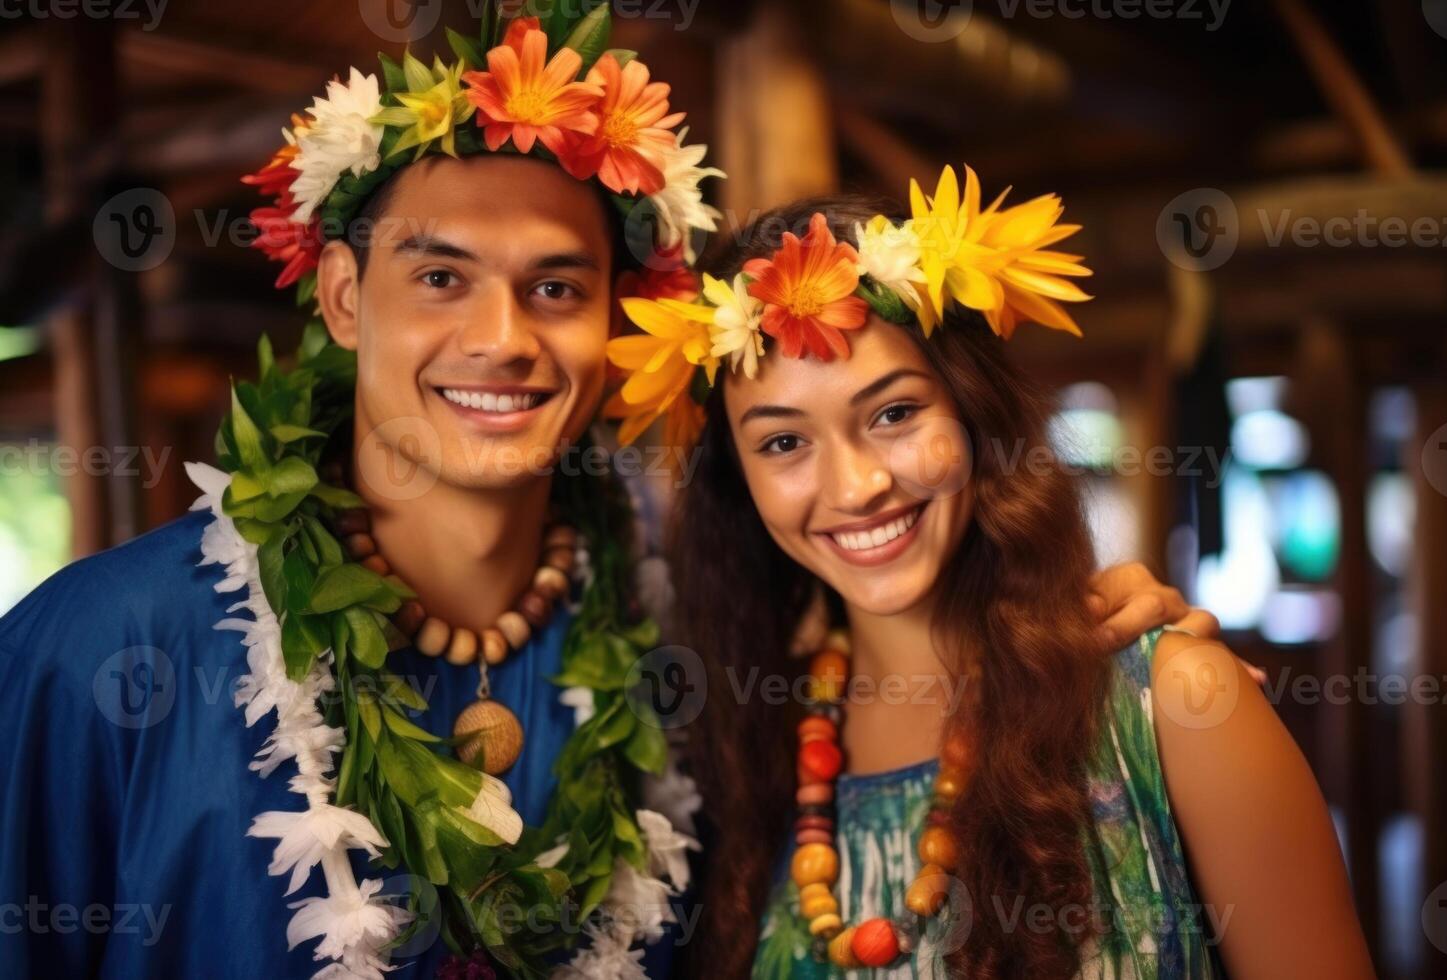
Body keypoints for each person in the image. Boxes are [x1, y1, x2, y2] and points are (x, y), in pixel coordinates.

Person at [0, 14, 1223, 978]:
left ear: (615, 323)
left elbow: (930, 651)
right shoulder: (94, 653)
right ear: (338, 299)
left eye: (555, 288)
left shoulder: (695, 650)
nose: (502, 339)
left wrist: (1101, 631)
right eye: (439, 275)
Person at [606, 178, 1376, 978]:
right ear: (739, 482)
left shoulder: (1177, 703)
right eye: (783, 443)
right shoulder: (736, 748)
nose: (855, 486)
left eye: (894, 413)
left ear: (974, 413)